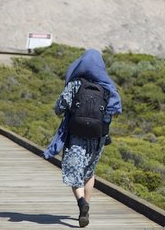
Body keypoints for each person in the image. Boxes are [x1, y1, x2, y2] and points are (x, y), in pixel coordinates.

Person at [44, 49, 122, 228]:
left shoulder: (75, 84)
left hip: (75, 135)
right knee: (89, 171)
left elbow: (59, 108)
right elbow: (115, 111)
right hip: (97, 138)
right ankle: (85, 209)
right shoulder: (107, 87)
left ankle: (81, 203)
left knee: (74, 172)